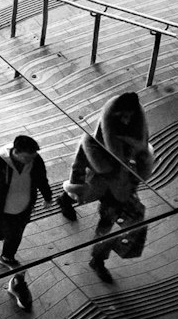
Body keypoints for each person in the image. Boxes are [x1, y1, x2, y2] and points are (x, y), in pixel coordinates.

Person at [58, 91, 154, 222]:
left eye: (129, 117)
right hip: (106, 166)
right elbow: (78, 167)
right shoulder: (93, 145)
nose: (126, 121)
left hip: (117, 172)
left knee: (110, 203)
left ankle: (103, 225)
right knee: (92, 190)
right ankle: (66, 200)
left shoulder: (133, 125)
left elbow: (140, 146)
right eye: (124, 117)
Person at [0, 134, 53, 270]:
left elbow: (41, 179)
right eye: (26, 158)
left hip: (24, 206)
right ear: (16, 152)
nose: (30, 160)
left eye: (32, 157)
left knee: (16, 233)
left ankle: (7, 257)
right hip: (0, 208)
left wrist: (47, 197)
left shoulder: (35, 160)